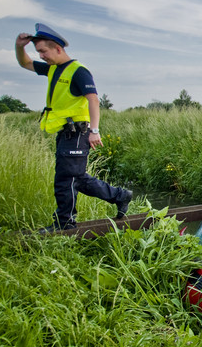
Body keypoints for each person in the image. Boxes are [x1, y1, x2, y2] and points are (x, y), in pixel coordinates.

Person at [15, 23, 132, 232]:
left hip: (78, 132)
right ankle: (120, 195)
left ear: (58, 48)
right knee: (76, 177)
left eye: (43, 51)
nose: (41, 56)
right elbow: (24, 64)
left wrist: (94, 131)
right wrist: (19, 46)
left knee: (66, 178)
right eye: (38, 52)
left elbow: (93, 100)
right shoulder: (53, 69)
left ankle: (64, 223)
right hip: (65, 133)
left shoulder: (78, 71)